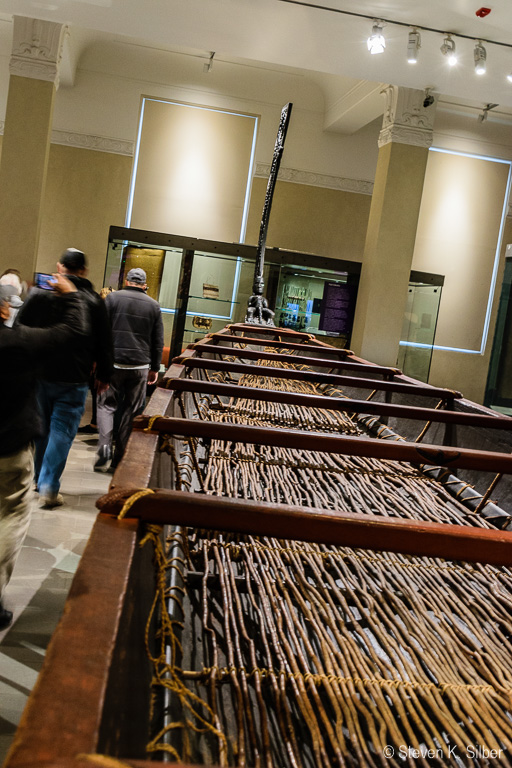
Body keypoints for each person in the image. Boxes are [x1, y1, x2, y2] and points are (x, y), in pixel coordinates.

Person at [0, 276, 87, 630]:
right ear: (4, 307)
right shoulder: (16, 343)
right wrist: (71, 296)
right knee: (11, 514)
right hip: (10, 446)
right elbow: (71, 333)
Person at [16, 248, 113, 508]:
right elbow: (105, 341)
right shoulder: (93, 300)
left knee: (41, 428)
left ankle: (38, 480)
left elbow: (20, 327)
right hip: (74, 376)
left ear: (60, 267)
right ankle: (49, 485)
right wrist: (104, 374)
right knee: (62, 431)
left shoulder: (40, 293)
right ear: (84, 271)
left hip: (40, 372)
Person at [95, 267, 164, 471]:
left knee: (106, 405)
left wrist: (99, 362)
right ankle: (119, 460)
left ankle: (104, 449)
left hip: (114, 363)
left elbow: (102, 333)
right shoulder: (154, 306)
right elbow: (157, 340)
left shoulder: (113, 299)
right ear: (144, 285)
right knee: (131, 412)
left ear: (126, 281)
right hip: (140, 366)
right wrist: (155, 367)